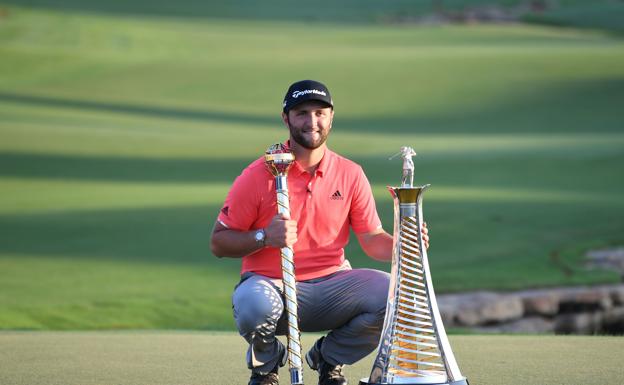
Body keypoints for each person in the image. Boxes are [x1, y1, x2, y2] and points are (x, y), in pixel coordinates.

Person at [210, 80, 429, 385]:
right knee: (252, 305)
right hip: (272, 287)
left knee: (395, 296)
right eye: (302, 113)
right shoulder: (259, 174)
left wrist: (404, 245)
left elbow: (371, 239)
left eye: (319, 113)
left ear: (331, 117)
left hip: (333, 285)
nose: (312, 121)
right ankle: (266, 365)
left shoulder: (350, 173)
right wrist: (263, 237)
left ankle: (328, 358)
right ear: (286, 118)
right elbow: (219, 242)